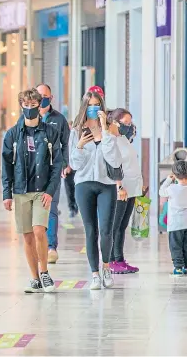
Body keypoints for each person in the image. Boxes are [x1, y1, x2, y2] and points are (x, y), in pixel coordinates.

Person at [2, 88, 62, 293]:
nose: (29, 109)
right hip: (20, 190)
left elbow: (57, 164)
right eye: (25, 105)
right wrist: (6, 194)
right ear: (21, 106)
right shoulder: (12, 134)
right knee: (27, 236)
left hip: (41, 190)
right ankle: (34, 277)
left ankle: (44, 273)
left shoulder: (50, 132)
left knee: (39, 230)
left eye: (33, 105)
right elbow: (6, 165)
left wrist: (50, 190)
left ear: (39, 106)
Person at [69, 91, 122, 290]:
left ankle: (106, 267)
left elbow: (114, 160)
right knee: (91, 230)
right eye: (90, 105)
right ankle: (94, 273)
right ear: (84, 107)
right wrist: (80, 146)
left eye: (96, 104)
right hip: (84, 185)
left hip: (106, 184)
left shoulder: (111, 129)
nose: (93, 108)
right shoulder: (76, 130)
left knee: (107, 229)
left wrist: (106, 132)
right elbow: (74, 164)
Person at [36, 84, 70, 264]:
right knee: (35, 208)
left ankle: (51, 247)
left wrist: (65, 165)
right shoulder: (27, 118)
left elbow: (66, 143)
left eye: (45, 95)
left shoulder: (59, 119)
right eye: (39, 95)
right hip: (33, 172)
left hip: (53, 170)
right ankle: (38, 244)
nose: (42, 98)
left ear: (51, 97)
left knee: (51, 207)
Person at [106, 109, 143, 274]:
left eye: (130, 123)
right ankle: (111, 260)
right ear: (115, 122)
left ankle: (120, 259)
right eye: (126, 123)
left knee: (122, 226)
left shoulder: (123, 139)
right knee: (115, 226)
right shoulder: (111, 139)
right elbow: (113, 165)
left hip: (133, 188)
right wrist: (118, 186)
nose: (129, 126)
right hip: (121, 189)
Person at [159, 161, 187, 275]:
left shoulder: (171, 188)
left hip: (175, 225)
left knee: (176, 247)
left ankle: (178, 267)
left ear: (175, 175)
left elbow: (161, 192)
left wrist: (168, 179)